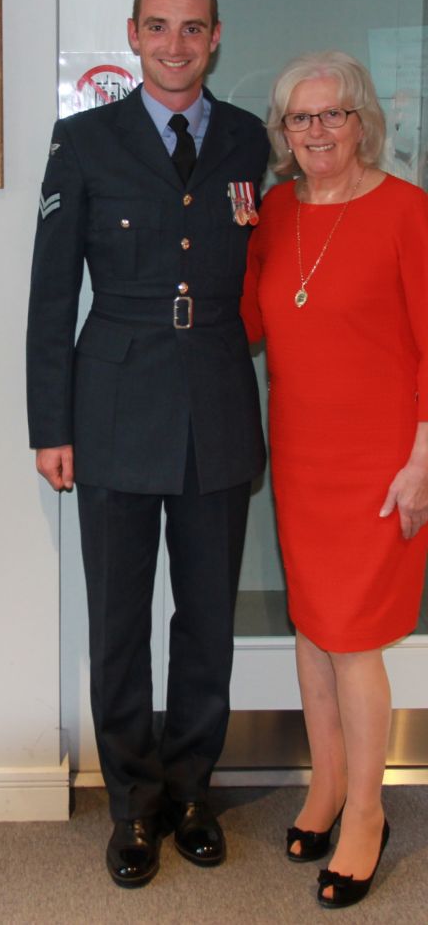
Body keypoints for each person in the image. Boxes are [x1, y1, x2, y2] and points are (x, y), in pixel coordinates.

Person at [27, 0, 268, 887]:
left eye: (193, 28)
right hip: (113, 404)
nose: (175, 44)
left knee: (205, 619)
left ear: (215, 38)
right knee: (120, 622)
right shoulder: (84, 140)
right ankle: (132, 804)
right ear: (132, 34)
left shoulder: (249, 141)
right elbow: (53, 295)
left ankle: (192, 789)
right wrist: (51, 423)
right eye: (158, 26)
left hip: (215, 396)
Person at [241, 50, 428, 909]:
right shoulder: (275, 212)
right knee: (314, 630)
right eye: (299, 119)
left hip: (381, 462)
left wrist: (423, 459)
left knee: (353, 639)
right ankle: (324, 782)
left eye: (332, 115)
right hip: (303, 455)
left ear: (363, 122)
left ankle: (366, 811)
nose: (316, 131)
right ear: (283, 134)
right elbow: (250, 318)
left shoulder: (407, 212)